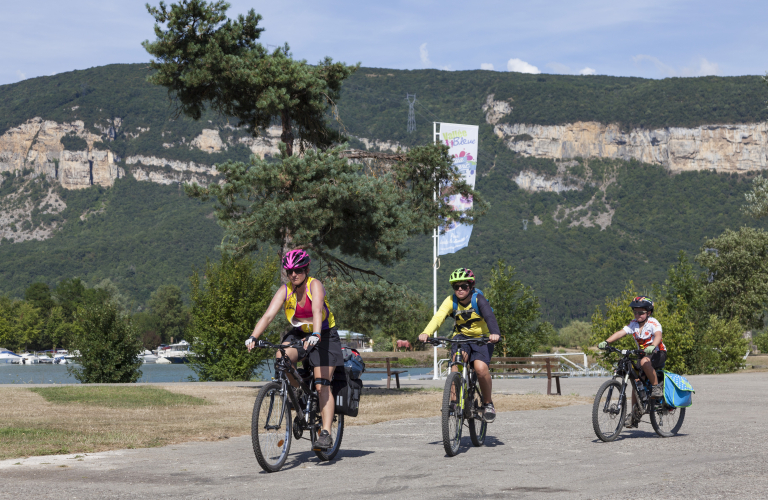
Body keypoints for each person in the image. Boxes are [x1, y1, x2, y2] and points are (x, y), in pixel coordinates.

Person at [245, 249, 343, 450]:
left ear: (306, 269)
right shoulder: (286, 290)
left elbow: (317, 311)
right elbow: (268, 316)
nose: (293, 274)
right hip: (300, 334)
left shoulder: (314, 285)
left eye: (298, 270)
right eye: (289, 271)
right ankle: (298, 391)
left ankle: (325, 433)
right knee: (281, 356)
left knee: (322, 384)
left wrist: (316, 335)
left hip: (324, 334)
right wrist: (254, 336)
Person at [418, 268, 501, 422]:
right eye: (457, 287)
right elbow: (438, 317)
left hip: (482, 338)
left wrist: (494, 333)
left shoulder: (478, 299)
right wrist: (426, 333)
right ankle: (454, 403)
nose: (460, 289)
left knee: (480, 369)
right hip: (461, 338)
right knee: (457, 362)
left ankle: (488, 403)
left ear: (471, 286)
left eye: (464, 286)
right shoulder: (451, 301)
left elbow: (489, 316)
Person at [598, 296, 666, 428]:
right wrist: (607, 342)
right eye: (635, 312)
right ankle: (635, 414)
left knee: (645, 362)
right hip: (643, 355)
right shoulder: (633, 324)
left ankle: (656, 387)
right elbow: (621, 333)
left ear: (649, 312)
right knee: (636, 382)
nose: (638, 315)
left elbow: (658, 335)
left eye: (641, 313)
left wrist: (653, 345)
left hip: (657, 353)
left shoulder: (653, 323)